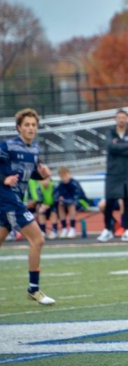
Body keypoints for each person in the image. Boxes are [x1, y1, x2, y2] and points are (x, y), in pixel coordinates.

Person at [0, 108, 55, 305]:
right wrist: (3, 179)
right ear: (19, 128)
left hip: (13, 200)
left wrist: (42, 174)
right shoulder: (7, 146)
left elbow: (29, 173)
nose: (31, 128)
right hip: (7, 198)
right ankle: (33, 289)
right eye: (27, 125)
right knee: (38, 239)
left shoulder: (34, 149)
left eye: (33, 125)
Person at [98, 109, 128, 242]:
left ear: (127, 119)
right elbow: (110, 147)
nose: (121, 120)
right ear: (115, 119)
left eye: (124, 118)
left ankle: (126, 230)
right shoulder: (110, 133)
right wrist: (127, 146)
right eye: (119, 118)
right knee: (109, 202)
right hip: (113, 173)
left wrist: (120, 147)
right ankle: (107, 229)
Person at [54, 166, 87, 239]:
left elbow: (77, 196)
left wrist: (66, 200)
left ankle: (72, 228)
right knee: (60, 204)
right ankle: (64, 229)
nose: (64, 178)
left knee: (71, 204)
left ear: (69, 174)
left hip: (79, 203)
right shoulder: (60, 184)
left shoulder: (74, 183)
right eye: (62, 176)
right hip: (65, 204)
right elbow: (56, 195)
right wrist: (60, 198)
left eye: (65, 175)